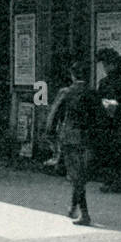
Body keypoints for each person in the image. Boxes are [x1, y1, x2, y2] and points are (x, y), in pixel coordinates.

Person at [47, 61, 104, 226]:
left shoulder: (66, 92)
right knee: (79, 175)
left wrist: (50, 135)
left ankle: (84, 214)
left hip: (70, 139)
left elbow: (54, 115)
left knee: (76, 176)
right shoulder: (93, 93)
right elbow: (101, 118)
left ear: (72, 75)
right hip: (89, 139)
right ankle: (72, 207)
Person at [96, 49, 121, 192]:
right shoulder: (104, 82)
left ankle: (118, 181)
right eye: (104, 65)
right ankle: (110, 180)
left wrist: (116, 105)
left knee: (118, 150)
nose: (105, 68)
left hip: (119, 120)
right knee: (110, 150)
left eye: (107, 65)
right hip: (109, 120)